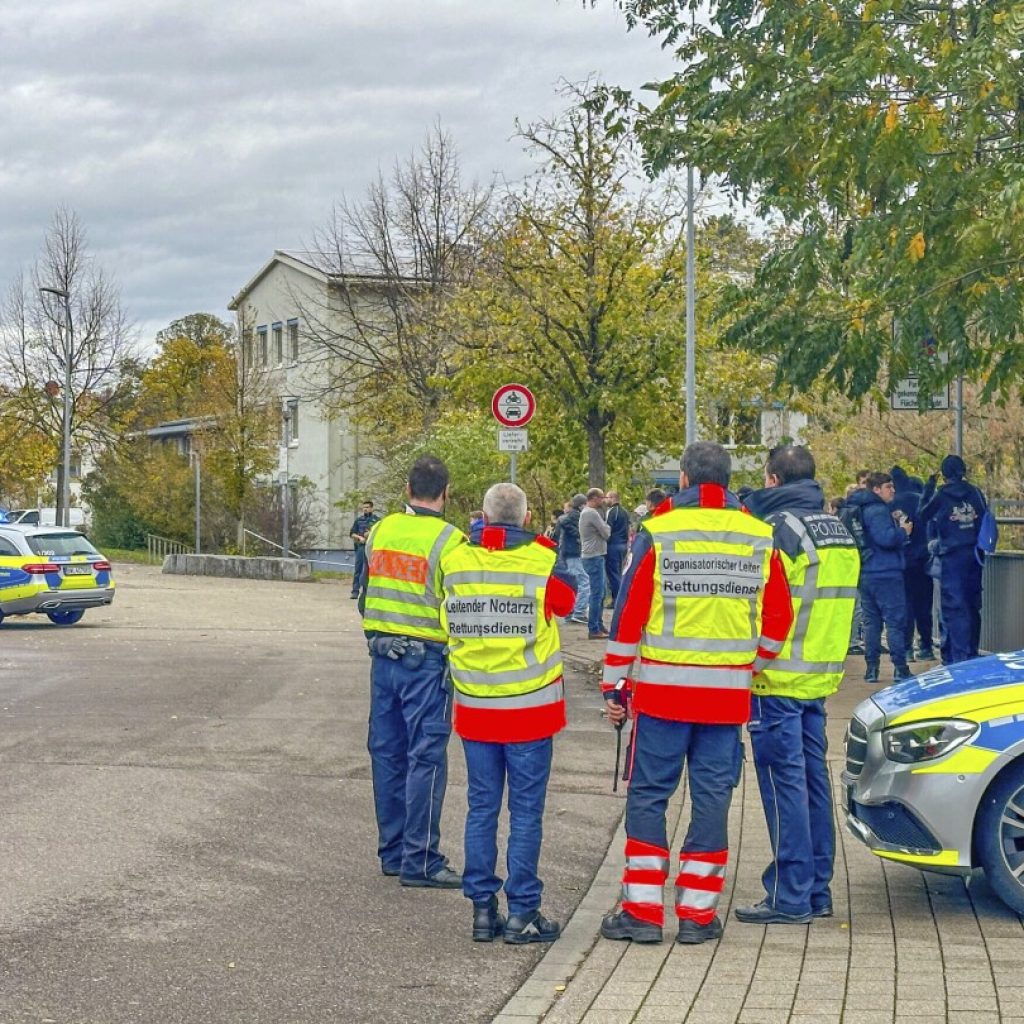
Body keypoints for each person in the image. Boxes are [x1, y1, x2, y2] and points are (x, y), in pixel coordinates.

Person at [599, 442, 793, 946]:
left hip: (664, 696)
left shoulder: (659, 532)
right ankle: (697, 915)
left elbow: (628, 614)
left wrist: (616, 683)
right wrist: (751, 665)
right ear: (728, 481)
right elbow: (778, 621)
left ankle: (642, 911)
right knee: (711, 801)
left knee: (649, 796)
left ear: (683, 479)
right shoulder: (759, 536)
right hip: (725, 699)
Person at [440, 482, 577, 944]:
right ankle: (523, 912)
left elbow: (445, 619)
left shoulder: (456, 560)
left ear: (481, 514)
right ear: (526, 516)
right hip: (529, 709)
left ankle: (482, 910)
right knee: (525, 812)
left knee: (481, 807)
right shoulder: (542, 561)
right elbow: (568, 603)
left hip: (476, 705)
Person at [736, 445, 860, 924]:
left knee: (781, 783)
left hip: (777, 675)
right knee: (813, 780)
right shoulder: (838, 529)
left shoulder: (779, 531)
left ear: (771, 480)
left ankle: (790, 894)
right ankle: (816, 889)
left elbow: (764, 603)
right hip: (820, 674)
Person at [359, 455, 466, 887]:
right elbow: (458, 607)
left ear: (407, 489)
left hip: (382, 658)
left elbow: (367, 591)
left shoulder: (380, 530)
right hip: (427, 664)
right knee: (426, 758)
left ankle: (392, 851)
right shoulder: (451, 541)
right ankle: (420, 859)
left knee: (387, 755)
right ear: (446, 492)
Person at [844, 472, 913, 682]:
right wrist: (903, 531)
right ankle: (900, 668)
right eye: (888, 487)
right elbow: (885, 538)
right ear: (876, 489)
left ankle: (871, 669)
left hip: (866, 572)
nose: (892, 490)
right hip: (886, 573)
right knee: (894, 622)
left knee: (871, 623)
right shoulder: (878, 510)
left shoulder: (859, 508)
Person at [918, 455, 988, 663]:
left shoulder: (942, 495)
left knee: (954, 607)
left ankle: (957, 658)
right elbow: (985, 518)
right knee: (972, 604)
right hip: (975, 555)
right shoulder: (975, 492)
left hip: (951, 556)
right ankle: (972, 651)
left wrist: (928, 487)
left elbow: (922, 515)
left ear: (945, 474)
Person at [891, 467, 935, 660]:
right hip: (923, 559)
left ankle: (907, 648)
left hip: (901, 562)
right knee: (924, 605)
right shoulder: (920, 499)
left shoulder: (891, 503)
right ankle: (926, 646)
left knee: (905, 606)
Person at [580, 488, 611, 639]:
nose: (604, 500)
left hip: (593, 556)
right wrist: (606, 527)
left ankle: (598, 624)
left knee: (601, 592)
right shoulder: (591, 513)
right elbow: (606, 533)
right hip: (594, 556)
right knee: (597, 593)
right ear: (594, 498)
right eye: (601, 497)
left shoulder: (586, 513)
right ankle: (593, 628)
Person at [556, 494, 589, 623]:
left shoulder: (567, 518)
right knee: (583, 582)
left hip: (567, 552)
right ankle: (579, 612)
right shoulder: (577, 517)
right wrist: (579, 536)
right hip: (574, 552)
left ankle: (571, 611)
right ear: (582, 505)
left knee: (574, 583)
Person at [349, 500, 381, 600]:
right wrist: (359, 537)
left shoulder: (377, 521)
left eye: (367, 507)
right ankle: (355, 591)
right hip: (361, 547)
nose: (365, 509)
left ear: (372, 508)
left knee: (370, 570)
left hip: (372, 548)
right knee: (358, 569)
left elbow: (380, 534)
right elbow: (352, 533)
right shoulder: (359, 520)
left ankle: (367, 591)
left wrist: (370, 535)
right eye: (364, 507)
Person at [604, 490, 630, 604]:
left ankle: (617, 600)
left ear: (613, 498)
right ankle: (620, 598)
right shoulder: (625, 512)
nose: (605, 500)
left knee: (613, 574)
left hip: (613, 545)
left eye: (607, 497)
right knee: (619, 572)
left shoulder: (612, 512)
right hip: (623, 545)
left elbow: (607, 529)